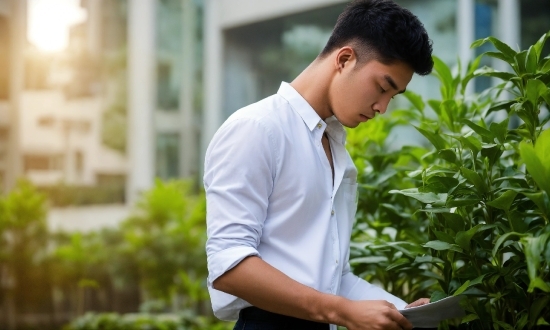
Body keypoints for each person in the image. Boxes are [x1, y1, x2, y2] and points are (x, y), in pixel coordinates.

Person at [204, 0, 434, 329]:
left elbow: (332, 279)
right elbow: (228, 265)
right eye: (383, 87)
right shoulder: (257, 128)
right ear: (344, 59)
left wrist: (400, 311)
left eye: (392, 97)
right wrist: (339, 311)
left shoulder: (336, 150)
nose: (383, 107)